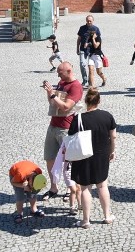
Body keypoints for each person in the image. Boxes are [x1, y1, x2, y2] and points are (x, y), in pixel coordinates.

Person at [67, 87, 116, 228]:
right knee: (102, 185)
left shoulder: (79, 118)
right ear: (98, 101)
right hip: (102, 154)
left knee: (85, 188)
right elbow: (113, 136)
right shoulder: (107, 116)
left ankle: (86, 220)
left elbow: (70, 137)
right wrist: (112, 151)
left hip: (84, 155)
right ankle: (107, 216)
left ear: (86, 101)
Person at [42, 61, 83, 200]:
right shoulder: (61, 83)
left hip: (66, 128)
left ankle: (69, 189)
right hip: (53, 125)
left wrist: (53, 95)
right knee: (50, 158)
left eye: (60, 72)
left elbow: (66, 107)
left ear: (69, 71)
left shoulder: (76, 86)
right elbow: (53, 103)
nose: (58, 74)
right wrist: (49, 93)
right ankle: (54, 188)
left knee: (67, 161)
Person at [75, 15, 100, 88]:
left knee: (90, 67)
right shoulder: (82, 28)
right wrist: (77, 48)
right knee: (82, 64)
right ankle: (84, 80)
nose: (89, 22)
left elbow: (98, 40)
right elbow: (79, 39)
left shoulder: (96, 29)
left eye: (90, 21)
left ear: (93, 21)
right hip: (83, 49)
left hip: (92, 51)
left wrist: (89, 44)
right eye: (88, 21)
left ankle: (90, 81)